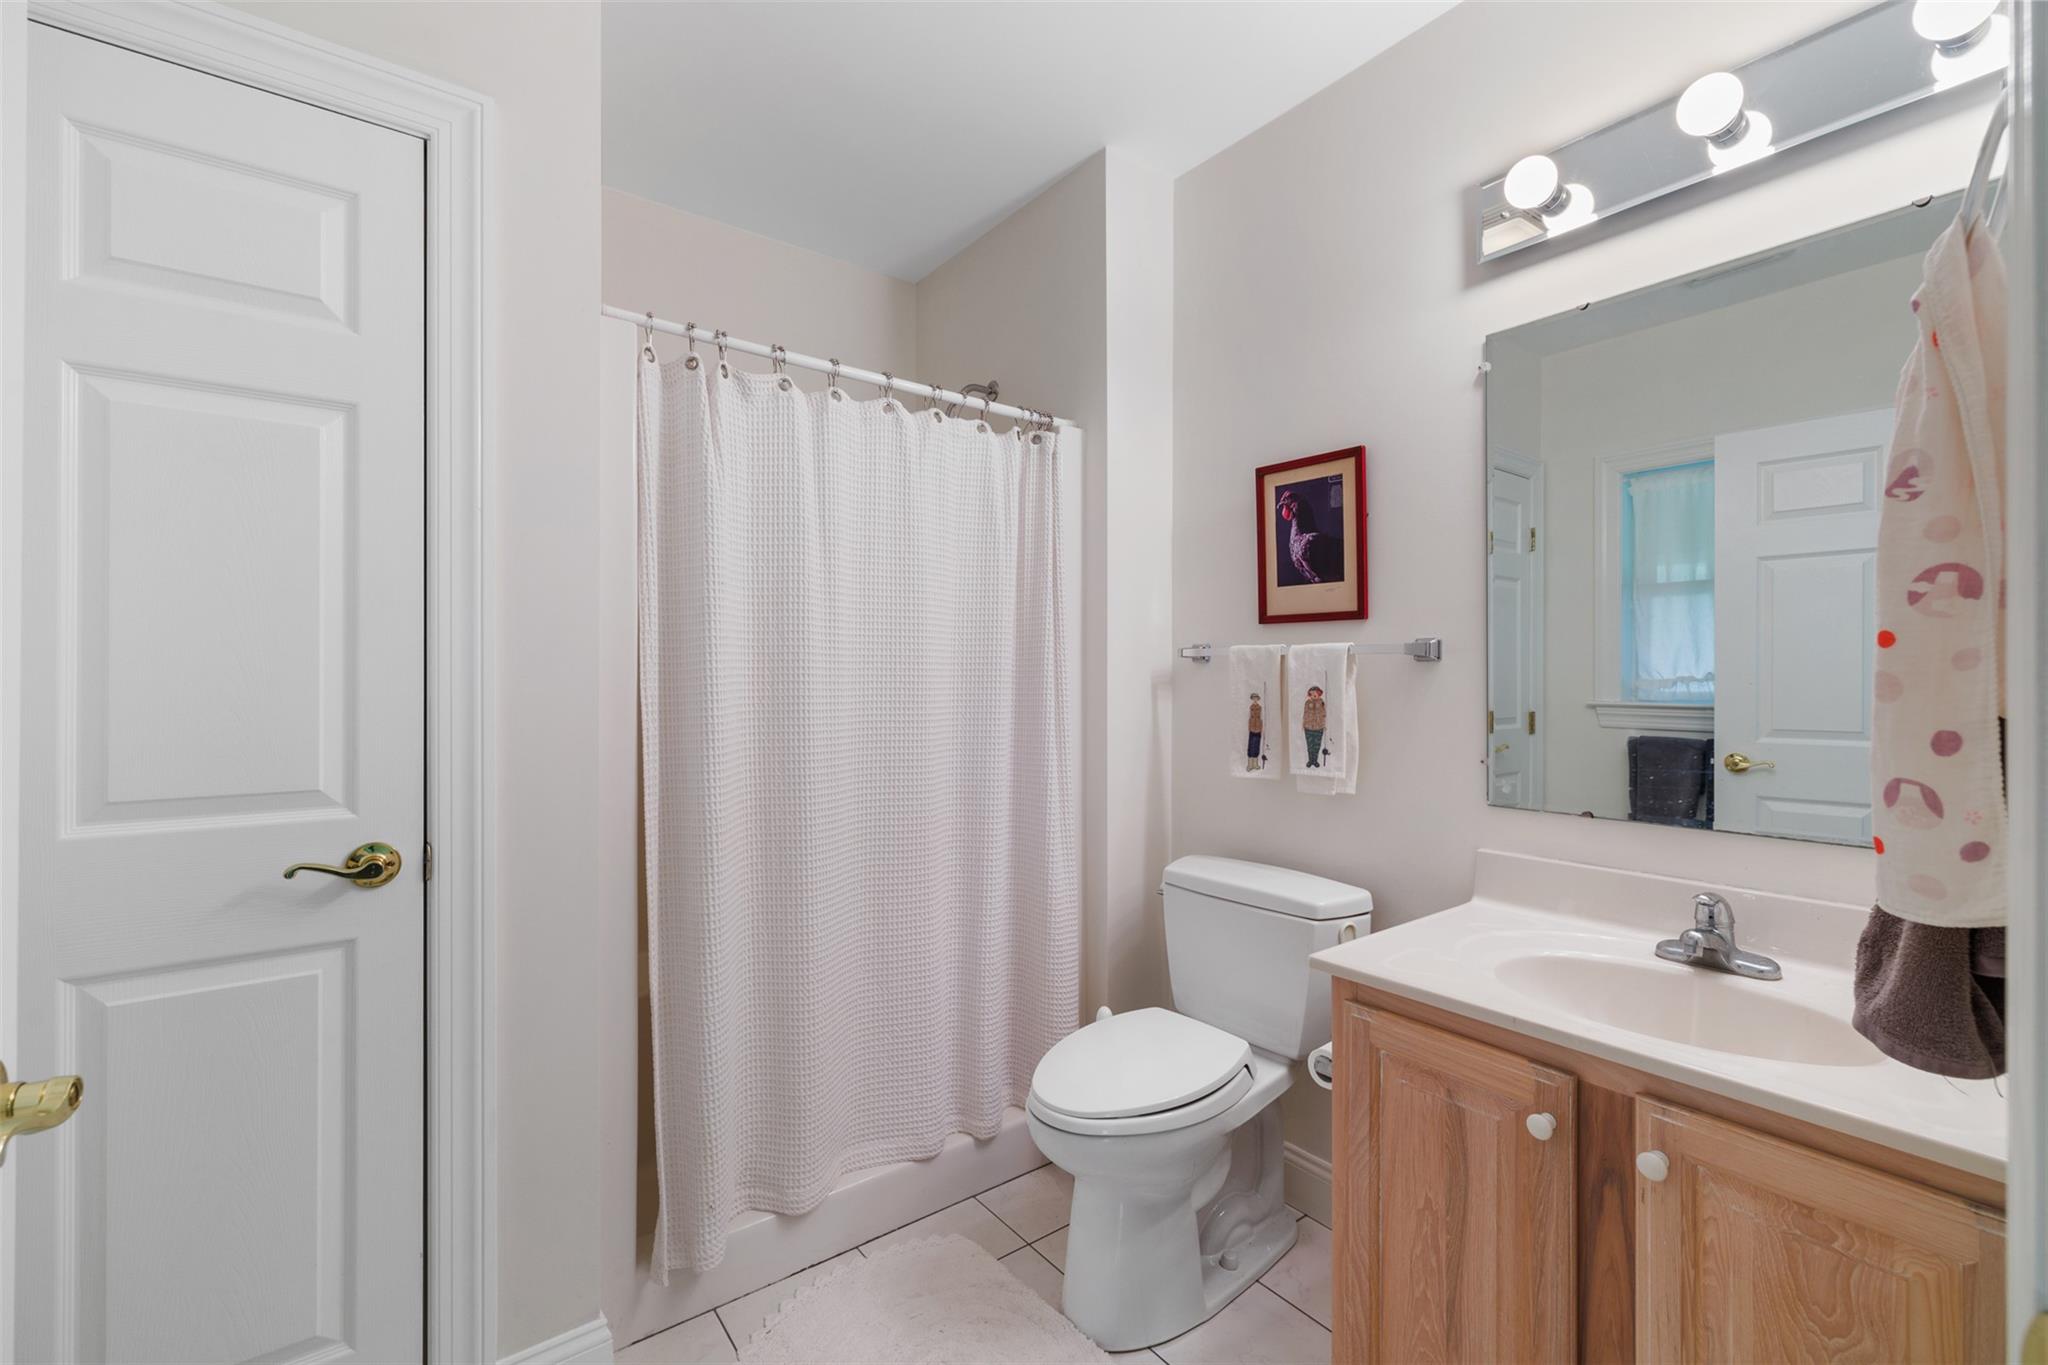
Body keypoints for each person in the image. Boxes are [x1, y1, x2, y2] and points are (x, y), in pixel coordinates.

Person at [1302, 685, 1327, 768]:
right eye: (1312, 693)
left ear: (1319, 693)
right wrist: (1303, 724)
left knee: (1317, 745)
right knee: (1309, 745)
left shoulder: (1321, 702)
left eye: (1315, 692)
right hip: (1308, 727)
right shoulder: (1307, 703)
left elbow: (1324, 714)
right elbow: (1305, 714)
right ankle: (1310, 760)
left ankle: (1315, 760)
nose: (1314, 694)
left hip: (1319, 727)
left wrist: (1324, 724)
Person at [1246, 692, 1264, 771]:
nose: (1255, 699)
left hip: (1258, 729)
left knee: (1256, 746)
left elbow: (1262, 718)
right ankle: (1250, 764)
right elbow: (1248, 717)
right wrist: (1249, 727)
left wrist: (1261, 727)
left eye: (1256, 698)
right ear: (1252, 699)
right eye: (1253, 698)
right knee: (1251, 745)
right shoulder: (1250, 707)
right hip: (1252, 728)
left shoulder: (1260, 707)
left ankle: (1255, 764)